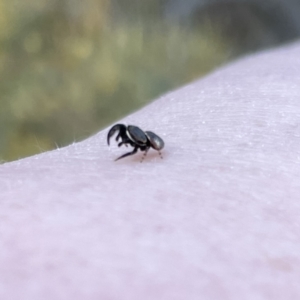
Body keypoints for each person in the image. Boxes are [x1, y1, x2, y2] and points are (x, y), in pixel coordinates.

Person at [1, 41, 299, 299]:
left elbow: (141, 145)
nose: (123, 140)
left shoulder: (145, 144)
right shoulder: (134, 134)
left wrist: (139, 157)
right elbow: (130, 136)